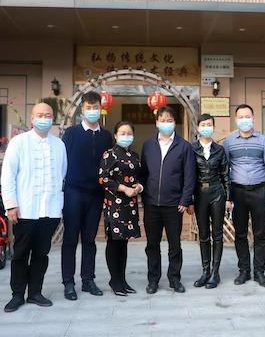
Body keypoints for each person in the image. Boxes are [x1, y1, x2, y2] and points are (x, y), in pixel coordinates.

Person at [1, 102, 67, 312]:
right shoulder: (19, 142)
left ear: (53, 119)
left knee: (41, 254)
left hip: (50, 210)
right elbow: (8, 175)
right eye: (40, 115)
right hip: (25, 210)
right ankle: (17, 294)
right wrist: (11, 205)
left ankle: (35, 293)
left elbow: (62, 174)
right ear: (32, 118)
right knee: (20, 253)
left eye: (48, 115)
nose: (44, 118)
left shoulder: (59, 145)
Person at [61, 91, 113, 300]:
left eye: (95, 108)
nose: (92, 111)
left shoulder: (106, 136)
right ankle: (68, 282)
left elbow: (110, 165)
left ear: (101, 109)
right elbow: (62, 163)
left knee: (90, 239)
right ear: (82, 110)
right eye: (88, 108)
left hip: (96, 194)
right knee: (70, 238)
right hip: (73, 192)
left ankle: (88, 279)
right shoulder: (71, 133)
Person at [141, 105, 196, 294]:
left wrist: (185, 200)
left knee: (175, 245)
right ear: (157, 122)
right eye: (162, 120)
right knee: (152, 245)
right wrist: (144, 196)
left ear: (175, 122)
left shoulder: (184, 146)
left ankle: (174, 279)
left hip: (174, 205)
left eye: (169, 120)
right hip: (152, 205)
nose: (166, 123)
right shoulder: (148, 145)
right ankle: (153, 280)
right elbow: (143, 173)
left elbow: (189, 176)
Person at [223, 104, 265, 288]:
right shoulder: (229, 142)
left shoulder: (263, 141)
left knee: (260, 233)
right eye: (241, 117)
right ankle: (244, 270)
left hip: (259, 191)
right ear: (236, 120)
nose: (244, 120)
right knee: (240, 233)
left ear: (253, 119)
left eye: (248, 117)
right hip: (237, 192)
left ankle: (259, 271)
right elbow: (225, 170)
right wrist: (228, 197)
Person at [99, 121, 142, 296]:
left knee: (124, 242)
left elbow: (140, 176)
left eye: (129, 133)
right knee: (114, 241)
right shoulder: (109, 154)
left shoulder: (134, 155)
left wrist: (139, 187)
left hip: (130, 204)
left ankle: (122, 280)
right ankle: (114, 280)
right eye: (122, 133)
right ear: (116, 135)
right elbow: (103, 179)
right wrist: (123, 188)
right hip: (114, 203)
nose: (126, 136)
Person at [192, 114, 231, 289]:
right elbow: (189, 176)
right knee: (203, 235)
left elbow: (225, 174)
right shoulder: (192, 149)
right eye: (203, 124)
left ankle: (215, 273)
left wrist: (228, 197)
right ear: (198, 128)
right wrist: (189, 199)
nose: (206, 127)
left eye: (209, 125)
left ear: (213, 127)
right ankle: (205, 271)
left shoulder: (219, 150)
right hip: (200, 193)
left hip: (217, 192)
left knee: (217, 234)